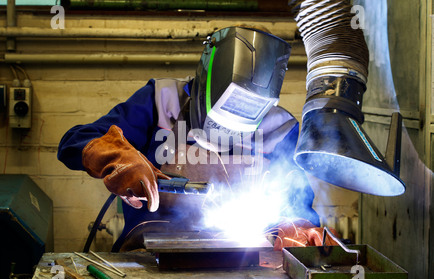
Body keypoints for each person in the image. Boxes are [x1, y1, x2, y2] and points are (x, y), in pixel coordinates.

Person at [57, 26, 325, 252]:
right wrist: (117, 158)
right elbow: (75, 141)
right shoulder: (161, 101)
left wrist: (299, 226)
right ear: (207, 84)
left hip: (239, 262)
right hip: (147, 256)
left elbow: (296, 198)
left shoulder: (279, 128)